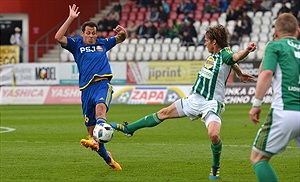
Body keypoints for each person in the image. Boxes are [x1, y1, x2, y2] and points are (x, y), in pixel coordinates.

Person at [111, 24, 257, 180]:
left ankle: (215, 168)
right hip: (195, 98)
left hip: (212, 102)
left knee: (214, 135)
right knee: (163, 113)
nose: (205, 43)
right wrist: (239, 73)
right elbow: (231, 63)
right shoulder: (215, 56)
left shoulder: (225, 52)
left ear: (214, 42)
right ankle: (129, 129)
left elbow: (234, 58)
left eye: (207, 40)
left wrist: (246, 51)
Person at [54, 4, 127, 170]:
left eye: (94, 33)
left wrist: (124, 33)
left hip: (102, 84)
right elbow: (58, 37)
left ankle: (100, 134)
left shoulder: (103, 43)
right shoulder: (76, 45)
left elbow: (121, 38)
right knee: (91, 133)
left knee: (100, 109)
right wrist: (71, 18)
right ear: (83, 34)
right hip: (86, 90)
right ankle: (109, 160)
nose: (91, 36)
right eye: (88, 33)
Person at [248, 13, 300, 182]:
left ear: (276, 33)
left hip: (285, 110)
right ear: (298, 31)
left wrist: (257, 103)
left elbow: (266, 73)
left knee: (258, 159)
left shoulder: (275, 46)